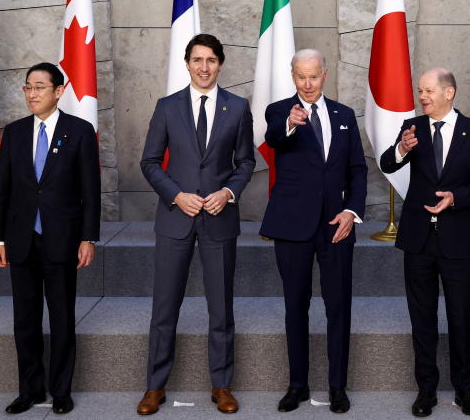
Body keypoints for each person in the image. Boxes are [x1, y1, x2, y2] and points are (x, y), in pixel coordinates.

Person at [136, 34, 255, 415]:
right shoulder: (167, 107)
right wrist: (176, 195)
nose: (204, 67)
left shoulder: (237, 107)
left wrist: (228, 193)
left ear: (221, 64)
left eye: (211, 60)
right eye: (197, 60)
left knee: (221, 308)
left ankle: (221, 385)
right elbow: (150, 162)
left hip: (219, 220)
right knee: (164, 308)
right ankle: (155, 386)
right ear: (187, 63)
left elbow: (246, 163)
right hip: (176, 218)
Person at [379, 68, 470, 417]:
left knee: (460, 318)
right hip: (418, 241)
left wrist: (457, 198)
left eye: (429, 90)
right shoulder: (412, 128)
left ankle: (465, 390)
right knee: (422, 320)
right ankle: (426, 392)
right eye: (420, 91)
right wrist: (401, 148)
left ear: (449, 92)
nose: (422, 97)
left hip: (458, 241)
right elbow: (387, 163)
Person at [259, 49, 366, 414]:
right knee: (295, 307)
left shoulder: (345, 115)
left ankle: (338, 387)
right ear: (293, 75)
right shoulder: (279, 111)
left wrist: (352, 211)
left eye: (314, 76)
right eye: (301, 76)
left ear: (325, 74)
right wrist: (290, 123)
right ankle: (297, 385)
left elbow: (357, 171)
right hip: (292, 227)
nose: (307, 83)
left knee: (339, 307)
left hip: (336, 226)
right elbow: (274, 139)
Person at [0, 62, 100, 415]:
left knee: (62, 316)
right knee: (25, 319)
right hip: (20, 239)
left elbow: (90, 191)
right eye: (27, 87)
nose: (32, 94)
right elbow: (3, 190)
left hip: (62, 239)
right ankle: (30, 390)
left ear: (58, 90)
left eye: (39, 87)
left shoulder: (79, 131)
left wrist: (88, 238)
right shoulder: (15, 132)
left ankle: (61, 391)